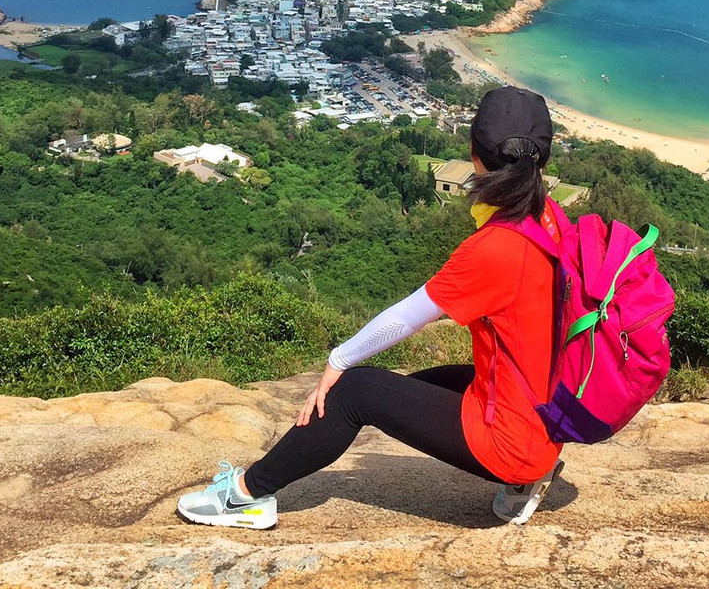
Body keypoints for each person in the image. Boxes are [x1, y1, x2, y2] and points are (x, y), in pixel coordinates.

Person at [177, 85, 566, 530]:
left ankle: (245, 495)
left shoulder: (497, 247)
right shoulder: (547, 217)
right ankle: (533, 470)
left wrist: (336, 361)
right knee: (418, 386)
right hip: (546, 414)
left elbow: (407, 316)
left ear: (475, 155)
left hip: (515, 445)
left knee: (353, 392)